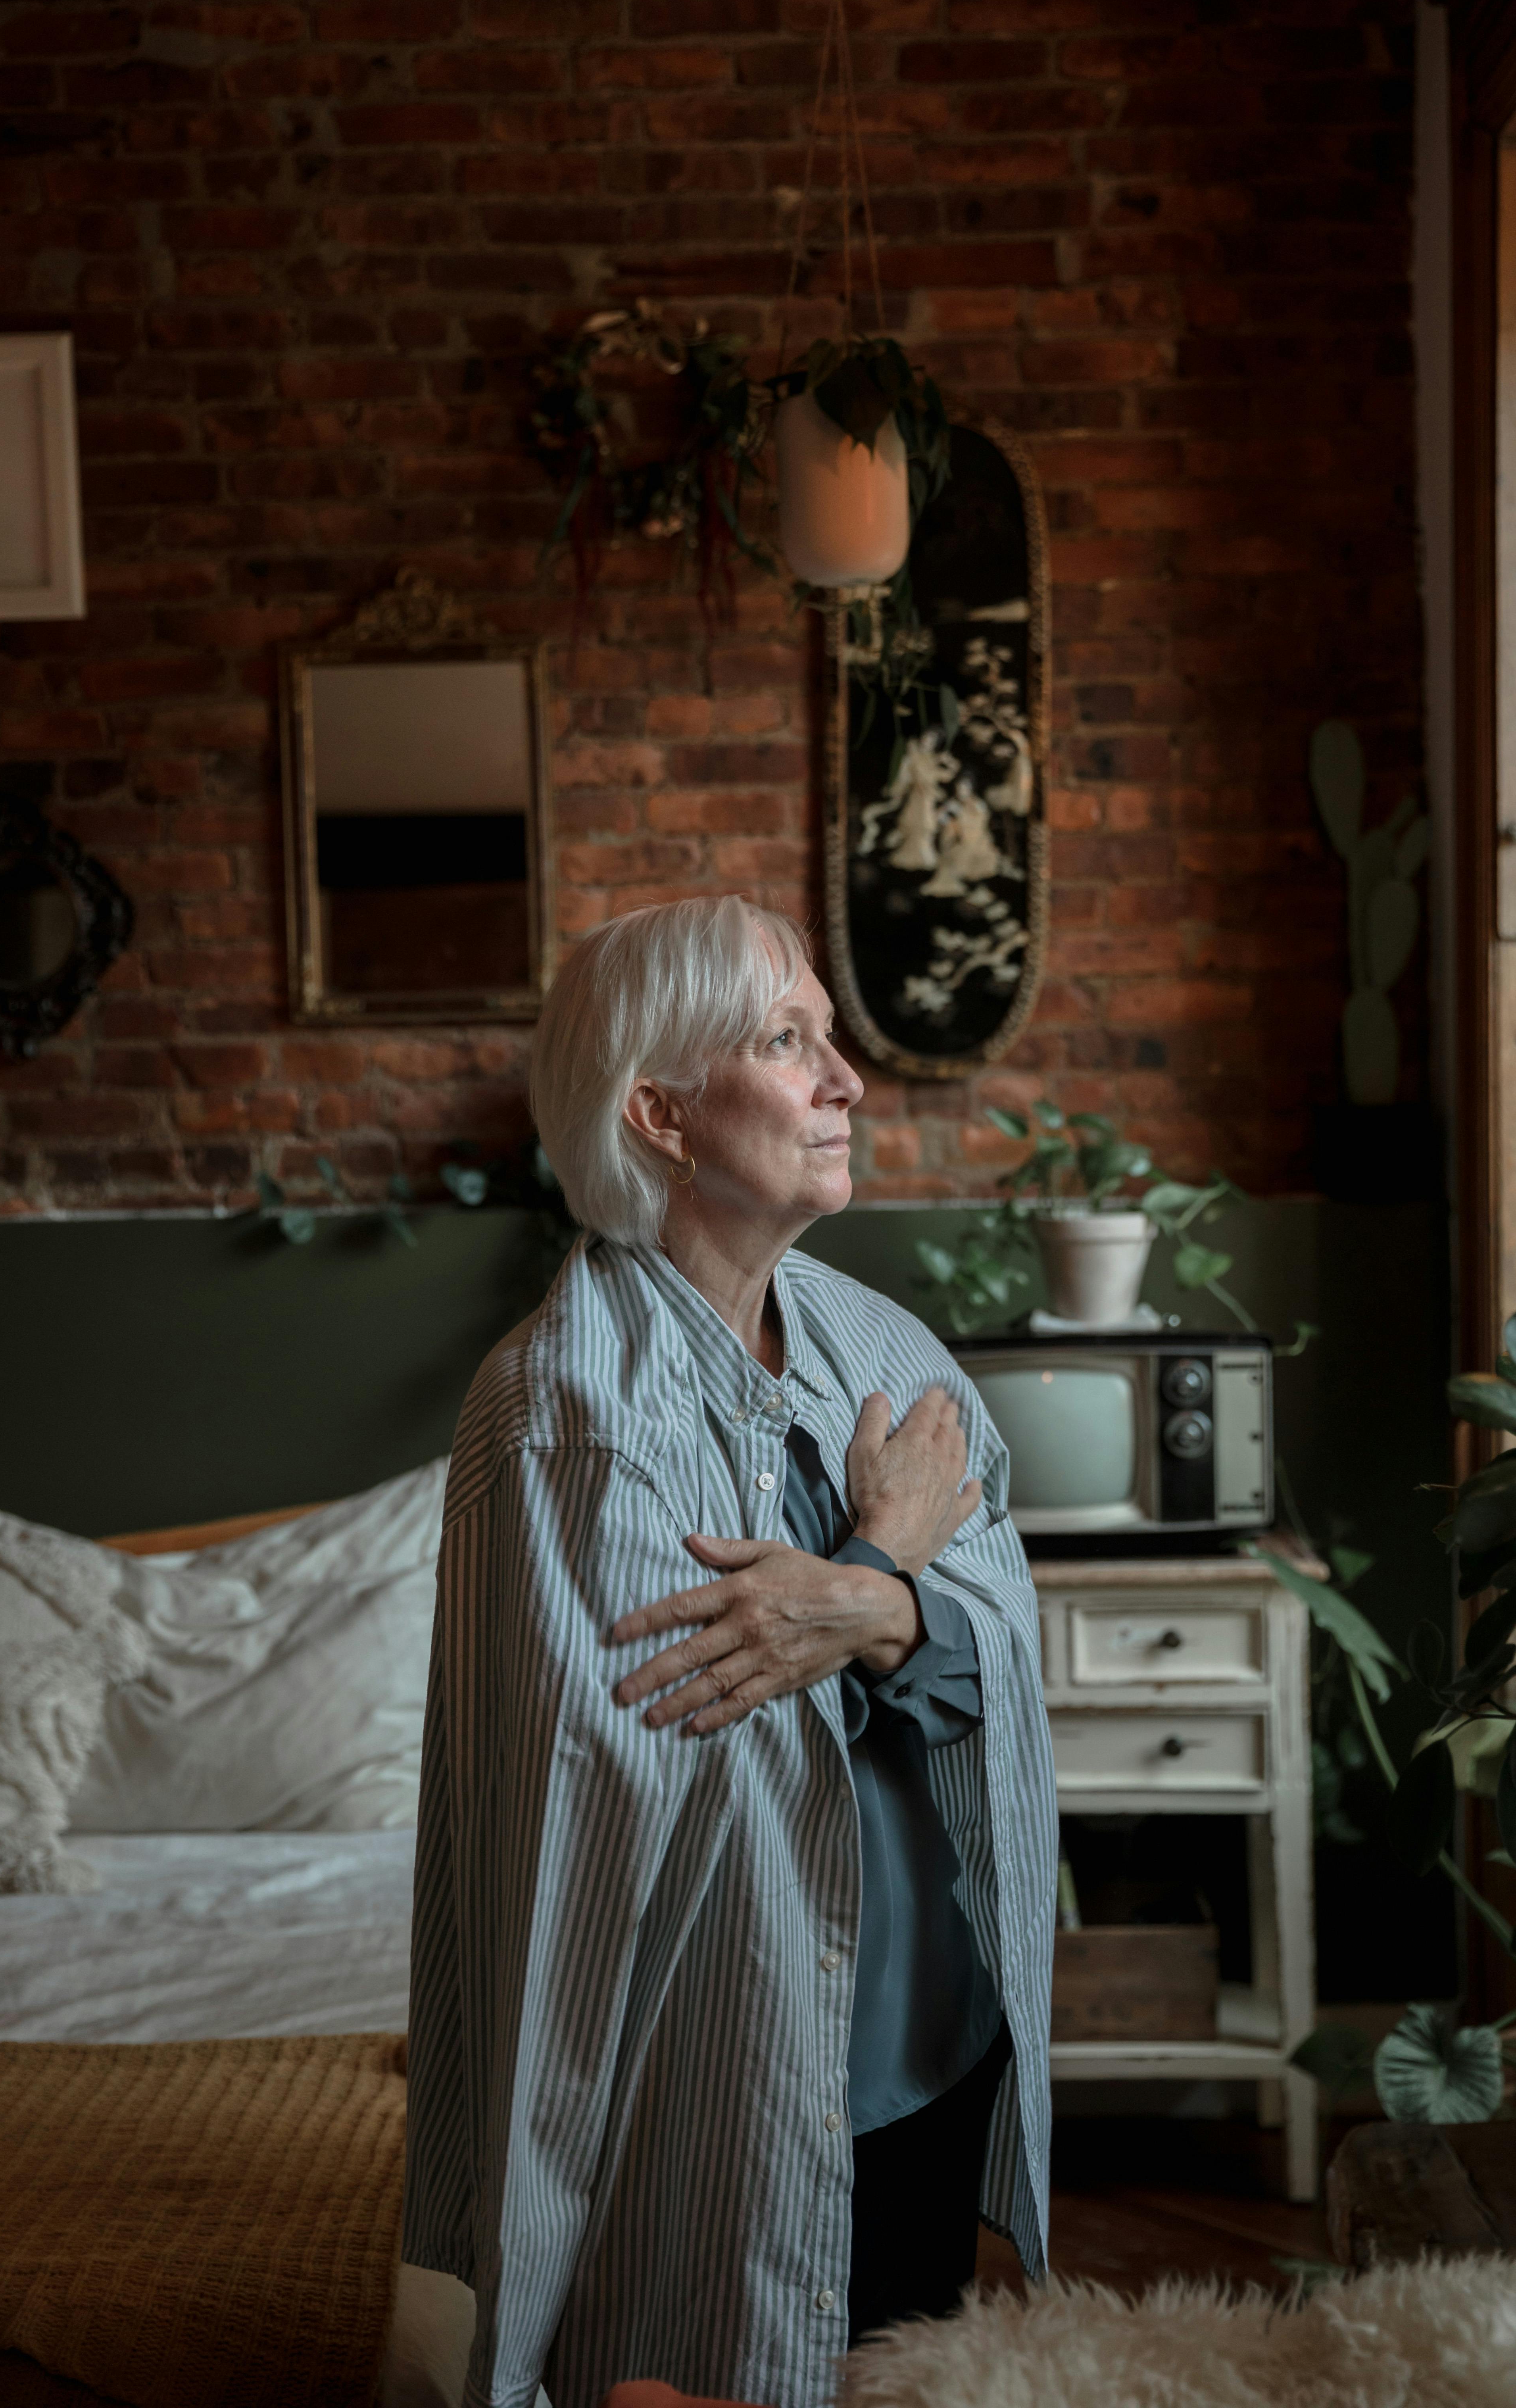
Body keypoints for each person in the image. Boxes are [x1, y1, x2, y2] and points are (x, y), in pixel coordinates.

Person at [402, 896, 1056, 2408]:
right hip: (726, 2077)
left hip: (928, 2042)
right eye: (788, 1041)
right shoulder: (568, 1408)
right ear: (661, 1112)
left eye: (828, 1036)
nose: (847, 1081)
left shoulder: (891, 1352)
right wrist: (887, 1563)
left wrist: (871, 1604)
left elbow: (990, 1655)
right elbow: (652, 1749)